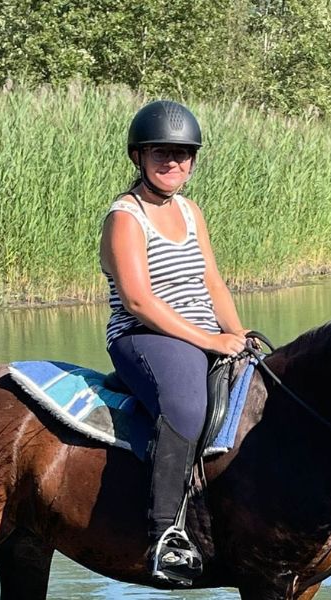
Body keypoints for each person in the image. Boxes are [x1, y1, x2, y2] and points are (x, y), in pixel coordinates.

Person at [99, 100, 248, 584]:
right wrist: (209, 339)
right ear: (138, 156)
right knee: (186, 407)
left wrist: (238, 335)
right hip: (144, 336)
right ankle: (166, 535)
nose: (173, 162)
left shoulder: (189, 210)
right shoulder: (125, 217)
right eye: (162, 152)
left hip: (202, 335)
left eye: (183, 154)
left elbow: (213, 282)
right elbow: (139, 301)